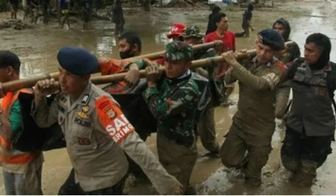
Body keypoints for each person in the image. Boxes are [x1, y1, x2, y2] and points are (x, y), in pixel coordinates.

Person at [33, 46, 183, 195]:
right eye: (60, 72)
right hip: (82, 174)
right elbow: (43, 121)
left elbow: (133, 144)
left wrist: (165, 183)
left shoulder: (103, 106)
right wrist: (39, 97)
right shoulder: (64, 96)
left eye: (69, 75)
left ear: (86, 77)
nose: (62, 79)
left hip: (105, 179)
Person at [280, 33, 336, 187]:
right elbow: (274, 76)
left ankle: (307, 172)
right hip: (295, 125)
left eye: (311, 51)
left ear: (323, 53)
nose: (305, 53)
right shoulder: (296, 66)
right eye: (305, 49)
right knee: (289, 163)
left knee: (305, 176)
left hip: (320, 131)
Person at [220, 29, 286, 187]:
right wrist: (238, 62)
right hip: (241, 121)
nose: (263, 54)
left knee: (253, 175)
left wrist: (235, 64)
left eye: (268, 51)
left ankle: (251, 173)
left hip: (261, 127)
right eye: (260, 47)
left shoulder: (280, 68)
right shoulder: (248, 60)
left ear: (276, 52)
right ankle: (245, 162)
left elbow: (260, 85)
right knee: (228, 159)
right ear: (256, 43)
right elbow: (227, 79)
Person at [0, 51, 43, 195]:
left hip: (23, 164)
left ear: (9, 71)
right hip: (10, 162)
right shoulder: (10, 91)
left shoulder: (23, 97)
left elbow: (8, 134)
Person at [142, 41, 200, 194]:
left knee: (174, 189)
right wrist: (135, 68)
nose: (168, 66)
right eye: (166, 60)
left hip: (180, 149)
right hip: (166, 140)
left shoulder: (188, 89)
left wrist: (151, 84)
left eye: (175, 63)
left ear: (188, 65)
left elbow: (159, 112)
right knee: (170, 179)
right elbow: (140, 60)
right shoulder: (169, 75)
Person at [183, 26, 220, 156]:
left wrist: (192, 65)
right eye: (186, 39)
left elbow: (209, 77)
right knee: (189, 129)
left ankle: (217, 150)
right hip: (188, 96)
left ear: (199, 40)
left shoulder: (209, 53)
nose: (188, 42)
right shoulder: (183, 52)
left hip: (206, 96)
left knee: (208, 137)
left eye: (191, 39)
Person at [205, 12, 236, 105]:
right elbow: (204, 55)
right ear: (217, 24)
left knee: (230, 87)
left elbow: (234, 51)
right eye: (224, 22)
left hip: (228, 68)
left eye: (227, 21)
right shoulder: (209, 37)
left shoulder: (231, 35)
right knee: (216, 94)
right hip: (216, 69)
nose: (227, 24)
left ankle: (225, 101)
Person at [272, 18, 301, 119]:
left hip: (284, 84)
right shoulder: (268, 44)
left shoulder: (292, 46)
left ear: (286, 31)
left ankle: (287, 115)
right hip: (268, 82)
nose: (277, 31)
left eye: (280, 29)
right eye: (275, 28)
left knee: (278, 113)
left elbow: (298, 64)